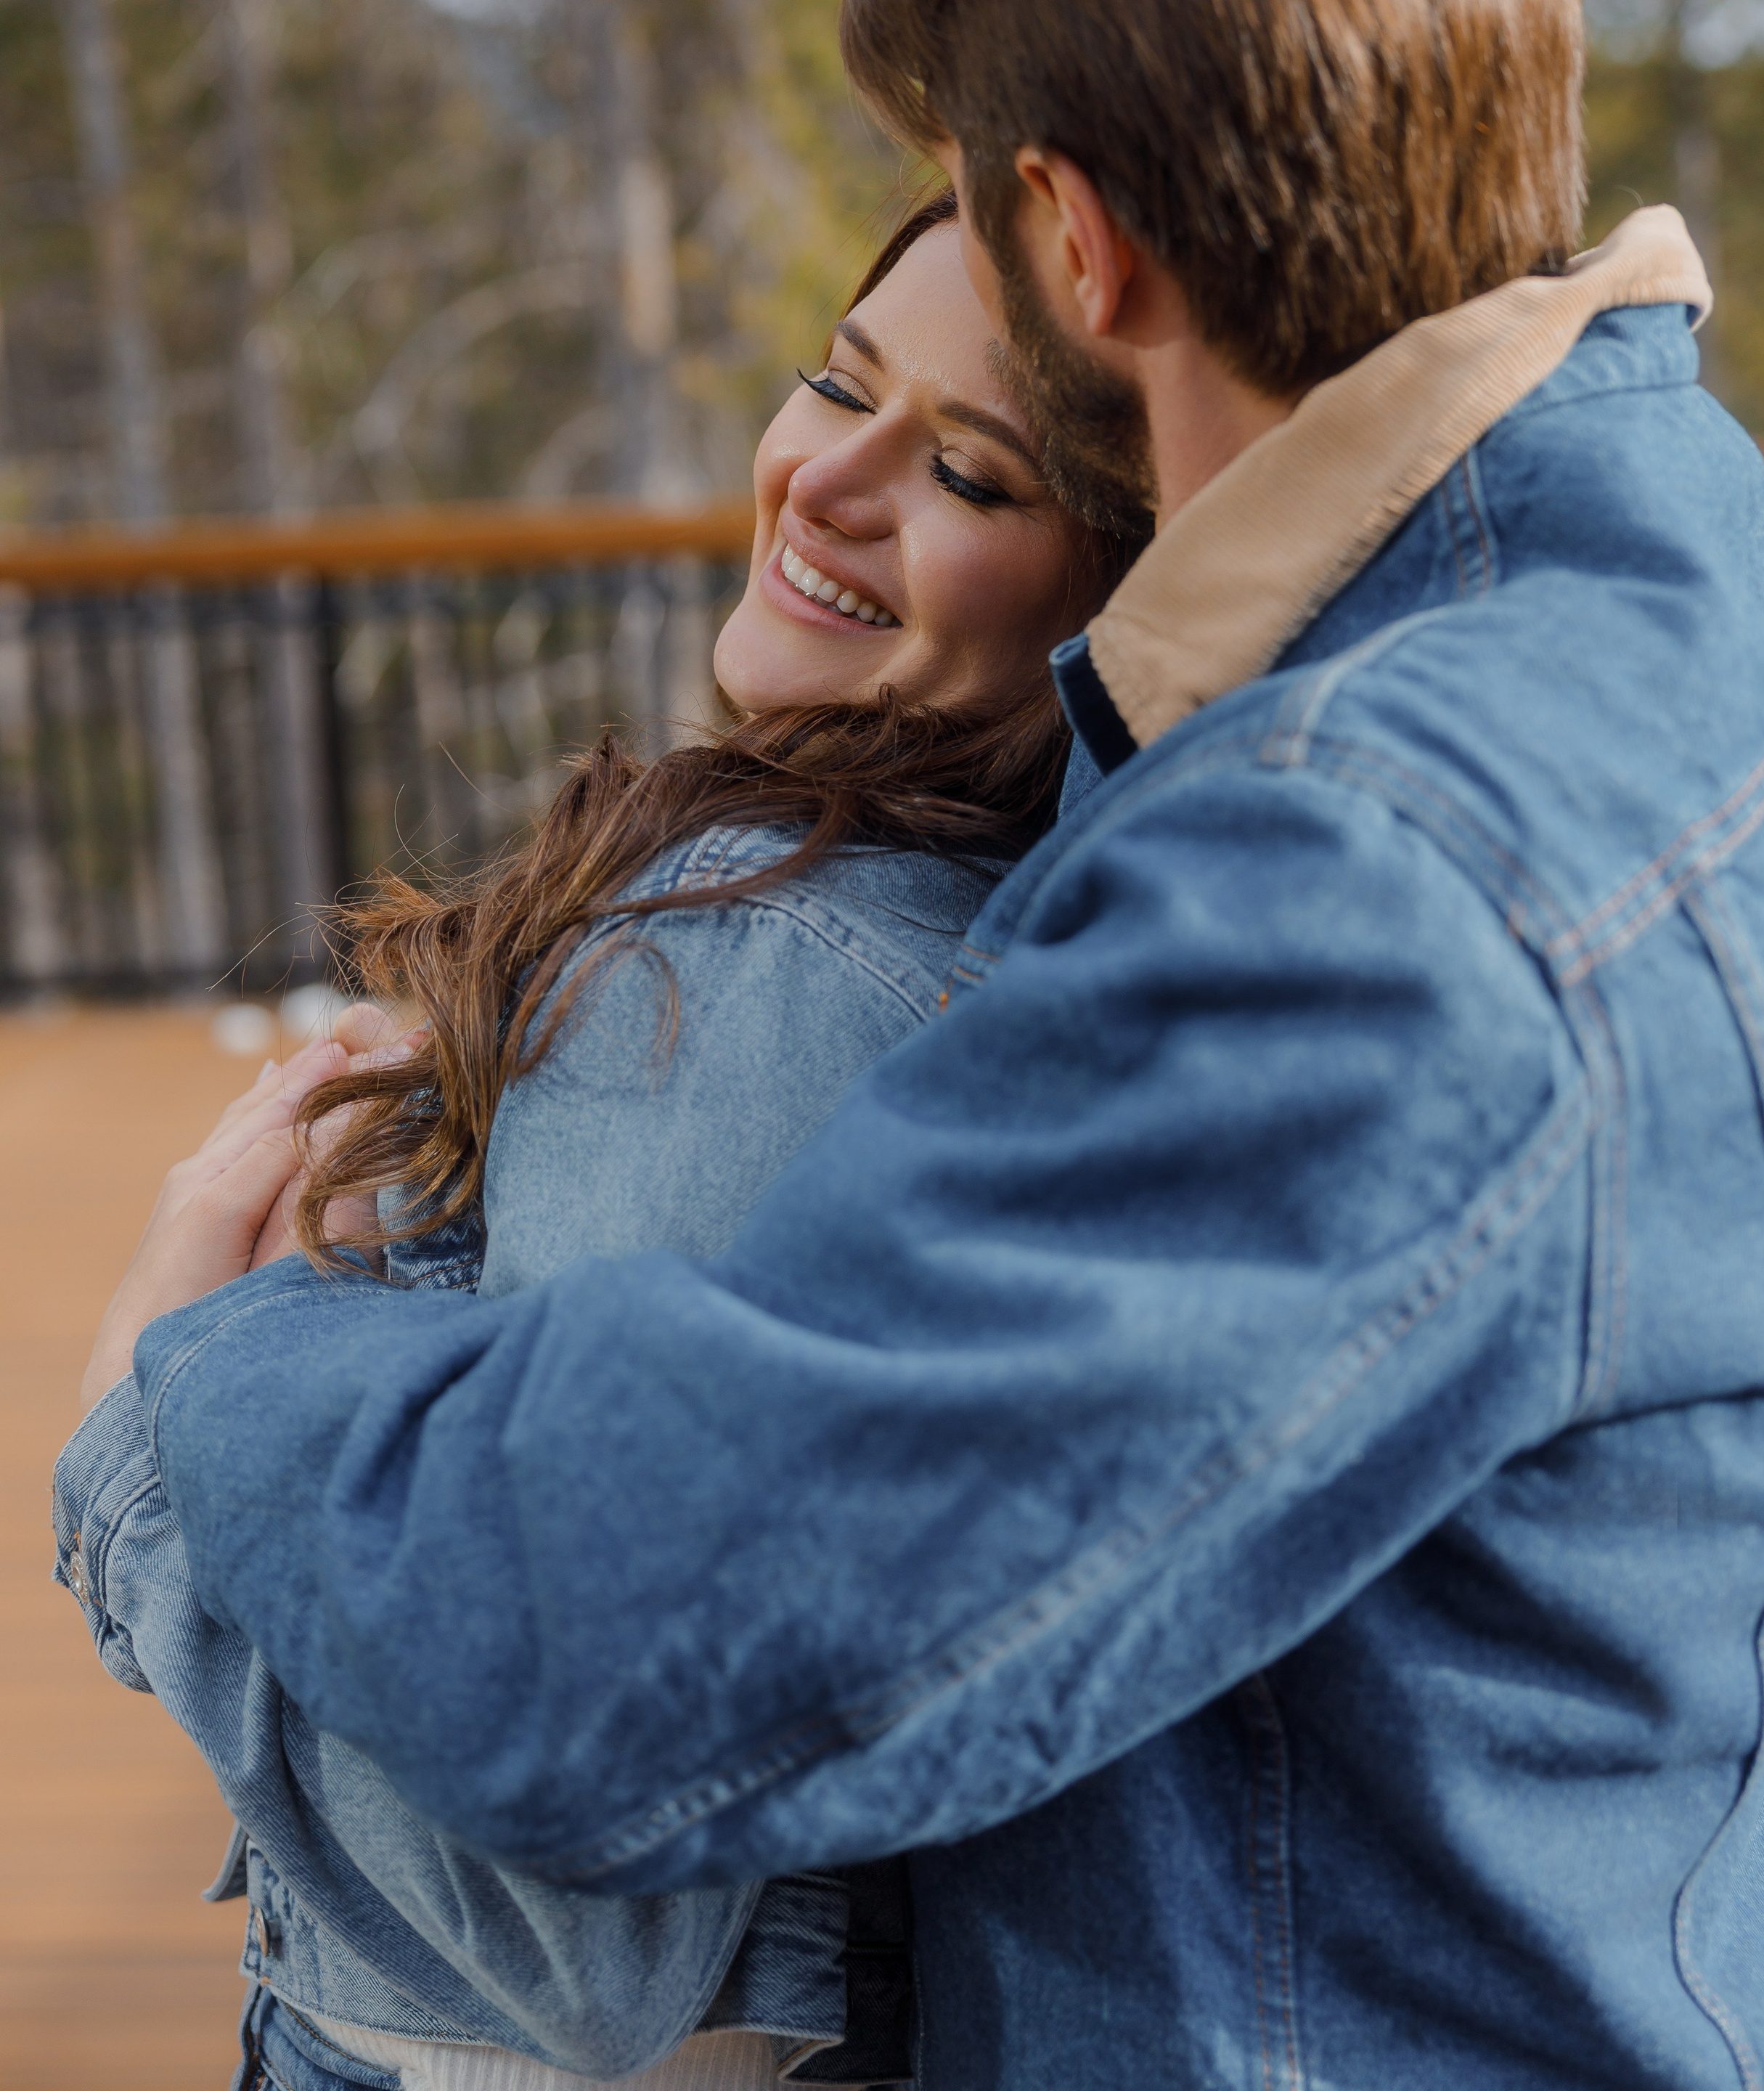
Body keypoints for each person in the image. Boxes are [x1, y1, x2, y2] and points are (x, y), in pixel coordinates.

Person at [61, 0, 1764, 2090]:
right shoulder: (1657, 589)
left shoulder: (1385, 875)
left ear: (1078, 245)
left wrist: (205, 1363)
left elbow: (633, 1643)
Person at [56, 197, 1127, 2091]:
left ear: (1113, 586)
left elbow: (552, 1919)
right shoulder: (1025, 939)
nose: (824, 482)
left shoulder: (758, 961)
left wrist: (147, 1423)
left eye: (966, 467)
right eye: (837, 384)